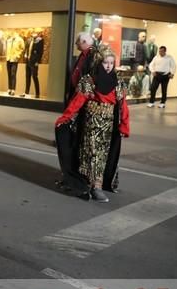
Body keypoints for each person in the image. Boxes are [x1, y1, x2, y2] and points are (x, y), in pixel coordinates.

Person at [55, 46, 129, 202]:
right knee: (92, 153)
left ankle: (95, 183)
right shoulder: (89, 80)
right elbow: (78, 101)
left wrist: (124, 125)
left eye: (111, 63)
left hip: (108, 125)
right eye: (105, 63)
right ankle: (94, 186)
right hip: (90, 123)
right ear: (98, 62)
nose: (108, 66)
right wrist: (65, 118)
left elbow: (122, 106)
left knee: (102, 155)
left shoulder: (118, 82)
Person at [68, 32, 95, 103]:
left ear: (84, 42)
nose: (76, 43)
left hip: (83, 92)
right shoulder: (83, 54)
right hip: (77, 90)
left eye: (78, 41)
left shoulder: (93, 55)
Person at [22, 34, 44, 99]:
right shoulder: (29, 40)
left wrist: (38, 61)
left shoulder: (40, 40)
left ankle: (37, 93)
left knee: (34, 76)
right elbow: (27, 49)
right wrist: (25, 55)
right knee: (27, 76)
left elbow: (40, 52)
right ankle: (26, 92)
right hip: (28, 60)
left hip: (34, 62)